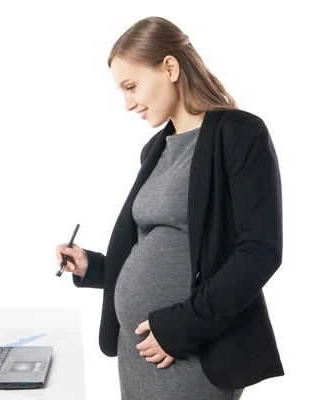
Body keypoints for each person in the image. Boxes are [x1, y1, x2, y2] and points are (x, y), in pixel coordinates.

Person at [55, 16, 284, 400]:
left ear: (170, 68)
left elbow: (260, 252)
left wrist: (179, 329)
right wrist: (92, 266)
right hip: (141, 350)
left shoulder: (240, 134)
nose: (127, 103)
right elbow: (156, 244)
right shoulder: (157, 149)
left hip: (191, 348)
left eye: (131, 86)